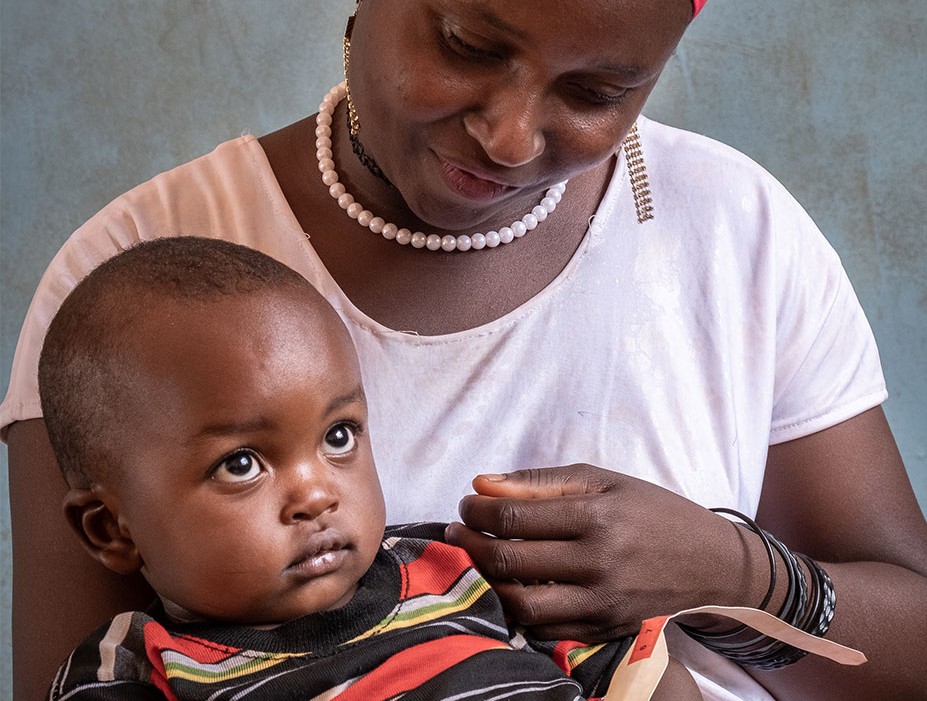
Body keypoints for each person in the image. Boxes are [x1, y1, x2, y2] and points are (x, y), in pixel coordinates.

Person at [4, 0, 927, 699]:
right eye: (466, 44)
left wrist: (732, 572)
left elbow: (905, 667)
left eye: (595, 93)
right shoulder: (135, 282)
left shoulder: (734, 230)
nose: (509, 137)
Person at [40, 236, 701, 700]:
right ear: (111, 529)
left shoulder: (458, 569)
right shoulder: (136, 668)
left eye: (338, 434)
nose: (316, 493)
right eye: (241, 464)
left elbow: (637, 669)